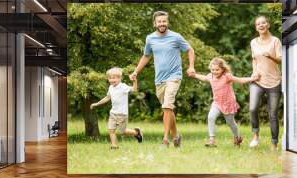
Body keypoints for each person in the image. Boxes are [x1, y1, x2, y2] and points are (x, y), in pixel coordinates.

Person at [129, 11, 195, 148]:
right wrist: (136, 71)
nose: (162, 24)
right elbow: (146, 56)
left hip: (174, 77)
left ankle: (165, 140)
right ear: (155, 23)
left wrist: (191, 67)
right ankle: (176, 137)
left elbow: (190, 50)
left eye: (164, 21)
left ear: (167, 22)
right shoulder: (150, 39)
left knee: (166, 106)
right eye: (159, 22)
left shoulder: (176, 37)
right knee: (168, 109)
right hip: (159, 79)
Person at [189, 57, 260, 147]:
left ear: (222, 69)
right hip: (217, 103)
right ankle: (212, 139)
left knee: (230, 123)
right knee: (211, 117)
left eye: (217, 70)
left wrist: (252, 79)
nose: (214, 71)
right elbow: (203, 78)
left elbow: (240, 80)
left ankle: (237, 137)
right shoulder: (210, 76)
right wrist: (194, 75)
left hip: (228, 104)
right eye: (212, 70)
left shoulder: (227, 76)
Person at [249, 15, 282, 151]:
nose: (261, 25)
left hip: (274, 81)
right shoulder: (253, 42)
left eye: (263, 23)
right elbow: (254, 59)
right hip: (258, 80)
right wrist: (254, 72)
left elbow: (280, 59)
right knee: (252, 108)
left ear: (268, 25)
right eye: (258, 24)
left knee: (273, 114)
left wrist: (271, 56)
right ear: (256, 28)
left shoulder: (275, 41)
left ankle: (274, 143)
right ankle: (256, 135)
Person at [90, 67, 143, 149]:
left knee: (123, 132)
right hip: (113, 113)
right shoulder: (111, 87)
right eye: (110, 78)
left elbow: (134, 90)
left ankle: (136, 133)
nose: (111, 80)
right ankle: (114, 146)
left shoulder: (123, 86)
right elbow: (107, 97)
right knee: (111, 129)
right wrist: (97, 104)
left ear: (120, 78)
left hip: (122, 114)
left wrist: (134, 81)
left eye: (114, 78)